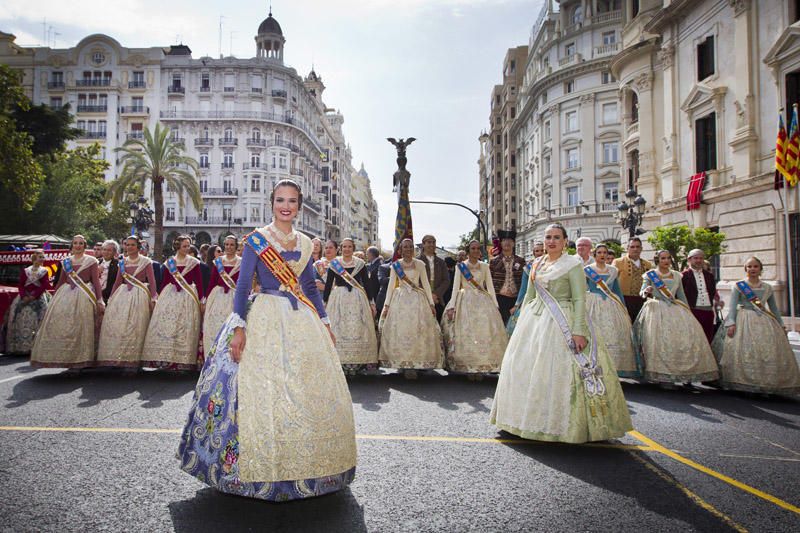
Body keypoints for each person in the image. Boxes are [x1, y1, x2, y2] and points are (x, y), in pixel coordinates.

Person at [178, 179, 356, 501]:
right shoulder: (257, 240)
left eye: (291, 201)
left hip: (301, 318)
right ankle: (254, 470)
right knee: (259, 389)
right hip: (264, 316)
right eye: (279, 200)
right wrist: (239, 328)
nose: (285, 206)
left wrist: (325, 320)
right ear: (271, 203)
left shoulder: (304, 242)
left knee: (305, 390)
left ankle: (307, 467)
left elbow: (310, 287)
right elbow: (244, 286)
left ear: (299, 206)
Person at [491, 223, 632, 443]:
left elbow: (579, 298)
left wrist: (578, 331)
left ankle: (565, 424)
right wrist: (519, 324)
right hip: (535, 320)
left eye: (557, 237)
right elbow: (529, 296)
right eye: (548, 237)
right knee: (523, 366)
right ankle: (522, 420)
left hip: (563, 319)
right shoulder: (536, 263)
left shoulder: (572, 264)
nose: (551, 241)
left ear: (565, 241)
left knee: (561, 370)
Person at [712, 257, 800, 395]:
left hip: (765, 321)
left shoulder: (767, 287)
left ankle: (767, 382)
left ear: (760, 269)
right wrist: (731, 323)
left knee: (768, 351)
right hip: (743, 319)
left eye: (755, 266)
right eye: (749, 266)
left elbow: (774, 308)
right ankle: (743, 381)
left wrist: (781, 325)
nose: (752, 269)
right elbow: (733, 307)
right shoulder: (739, 285)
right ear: (745, 269)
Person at [634, 250, 719, 387]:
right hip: (656, 309)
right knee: (660, 342)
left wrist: (688, 313)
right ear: (658, 260)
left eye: (668, 258)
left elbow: (681, 295)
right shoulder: (650, 275)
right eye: (663, 258)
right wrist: (646, 291)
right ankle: (661, 374)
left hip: (675, 309)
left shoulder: (677, 275)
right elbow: (642, 291)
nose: (666, 261)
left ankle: (679, 372)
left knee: (678, 341)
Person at [31, 235, 105, 369]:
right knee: (64, 325)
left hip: (84, 295)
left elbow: (96, 281)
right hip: (65, 295)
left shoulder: (92, 260)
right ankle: (66, 358)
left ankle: (80, 359)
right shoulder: (65, 261)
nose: (78, 245)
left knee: (81, 326)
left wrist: (100, 300)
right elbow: (60, 281)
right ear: (72, 245)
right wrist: (53, 298)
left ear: (84, 245)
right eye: (75, 243)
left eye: (81, 243)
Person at [379, 238, 444, 378]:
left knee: (417, 331)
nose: (408, 249)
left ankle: (417, 362)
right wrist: (386, 305)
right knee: (401, 331)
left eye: (410, 247)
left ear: (413, 249)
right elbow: (391, 286)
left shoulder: (420, 264)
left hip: (417, 300)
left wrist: (431, 304)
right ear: (401, 250)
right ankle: (403, 363)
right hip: (400, 300)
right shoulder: (395, 265)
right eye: (405, 247)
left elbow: (426, 284)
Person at [442, 240, 507, 379]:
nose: (476, 251)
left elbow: (489, 286)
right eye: (473, 248)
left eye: (478, 248)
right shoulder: (461, 267)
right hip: (464, 301)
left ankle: (481, 367)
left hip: (483, 301)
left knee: (483, 333)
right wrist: (452, 306)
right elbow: (455, 288)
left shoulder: (485, 266)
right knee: (466, 333)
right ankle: (469, 367)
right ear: (468, 250)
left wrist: (495, 305)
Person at [141, 235, 205, 370]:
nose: (187, 248)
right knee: (166, 325)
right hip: (169, 296)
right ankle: (165, 358)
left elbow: (198, 282)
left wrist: (201, 299)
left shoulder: (194, 262)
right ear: (177, 247)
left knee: (184, 326)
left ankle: (182, 360)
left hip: (188, 297)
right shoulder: (169, 262)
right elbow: (164, 281)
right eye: (184, 246)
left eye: (188, 246)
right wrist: (159, 297)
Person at [96, 236, 158, 369]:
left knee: (136, 327)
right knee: (121, 326)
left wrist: (154, 298)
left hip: (139, 295)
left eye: (132, 245)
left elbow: (152, 281)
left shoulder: (146, 261)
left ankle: (134, 361)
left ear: (138, 247)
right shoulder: (122, 262)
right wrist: (111, 299)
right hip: (122, 296)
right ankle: (121, 357)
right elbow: (118, 282)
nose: (129, 247)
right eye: (127, 245)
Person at [323, 238, 378, 375]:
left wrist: (371, 302)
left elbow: (367, 283)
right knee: (338, 328)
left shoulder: (360, 264)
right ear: (341, 248)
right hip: (338, 299)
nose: (347, 249)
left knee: (359, 328)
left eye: (350, 246)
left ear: (353, 248)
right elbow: (329, 285)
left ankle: (357, 363)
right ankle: (340, 363)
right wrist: (324, 304)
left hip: (357, 299)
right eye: (345, 246)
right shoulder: (334, 264)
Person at [584, 244, 639, 378]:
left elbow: (617, 290)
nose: (602, 255)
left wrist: (623, 307)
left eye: (605, 253)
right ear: (594, 255)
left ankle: (613, 368)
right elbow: (582, 287)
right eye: (599, 253)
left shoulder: (613, 270)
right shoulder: (587, 270)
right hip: (592, 303)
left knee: (615, 333)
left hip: (611, 303)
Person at [5, 250, 51, 355]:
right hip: (24, 296)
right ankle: (19, 346)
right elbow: (21, 284)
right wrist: (23, 296)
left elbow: (44, 285)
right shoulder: (26, 270)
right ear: (35, 257)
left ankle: (37, 346)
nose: (43, 259)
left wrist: (33, 296)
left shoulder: (44, 271)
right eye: (41, 257)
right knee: (16, 316)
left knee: (41, 317)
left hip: (38, 297)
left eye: (43, 257)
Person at [202, 236, 241, 357]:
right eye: (227, 244)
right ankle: (213, 356)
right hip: (217, 297)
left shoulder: (241, 262)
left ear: (236, 246)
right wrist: (206, 299)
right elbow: (212, 281)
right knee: (214, 326)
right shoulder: (218, 261)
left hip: (234, 297)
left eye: (232, 245)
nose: (229, 247)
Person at [682, 249, 721, 344]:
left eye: (701, 258)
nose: (699, 260)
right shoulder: (683, 276)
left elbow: (713, 292)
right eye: (696, 258)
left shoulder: (709, 276)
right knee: (693, 340)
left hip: (708, 311)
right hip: (692, 311)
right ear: (689, 260)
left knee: (708, 340)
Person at [506, 241, 544, 336]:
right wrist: (517, 305)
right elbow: (524, 288)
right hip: (533, 301)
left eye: (541, 250)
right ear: (533, 253)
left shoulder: (552, 265)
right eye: (537, 251)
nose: (539, 253)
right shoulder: (528, 268)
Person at [489, 229, 526, 325]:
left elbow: (524, 282)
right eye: (504, 240)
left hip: (516, 299)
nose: (507, 242)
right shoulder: (494, 262)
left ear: (513, 243)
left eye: (510, 240)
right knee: (501, 326)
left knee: (516, 326)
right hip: (500, 299)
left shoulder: (521, 261)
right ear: (501, 243)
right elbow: (489, 282)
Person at [613, 238, 653, 323]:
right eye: (632, 247)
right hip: (624, 300)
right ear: (627, 248)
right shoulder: (618, 262)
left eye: (638, 247)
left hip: (643, 300)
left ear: (641, 248)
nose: (635, 249)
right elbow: (612, 282)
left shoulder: (648, 264)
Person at [418, 235, 450, 322]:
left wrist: (435, 295)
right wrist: (428, 295)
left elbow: (446, 280)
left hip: (438, 299)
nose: (431, 244)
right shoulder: (417, 261)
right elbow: (416, 281)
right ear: (423, 244)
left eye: (433, 242)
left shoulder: (441, 262)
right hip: (421, 298)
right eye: (429, 242)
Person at [98, 240, 120, 304]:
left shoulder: (118, 265)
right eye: (104, 249)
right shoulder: (96, 262)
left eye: (109, 250)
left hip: (110, 298)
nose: (106, 252)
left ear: (115, 252)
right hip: (94, 295)